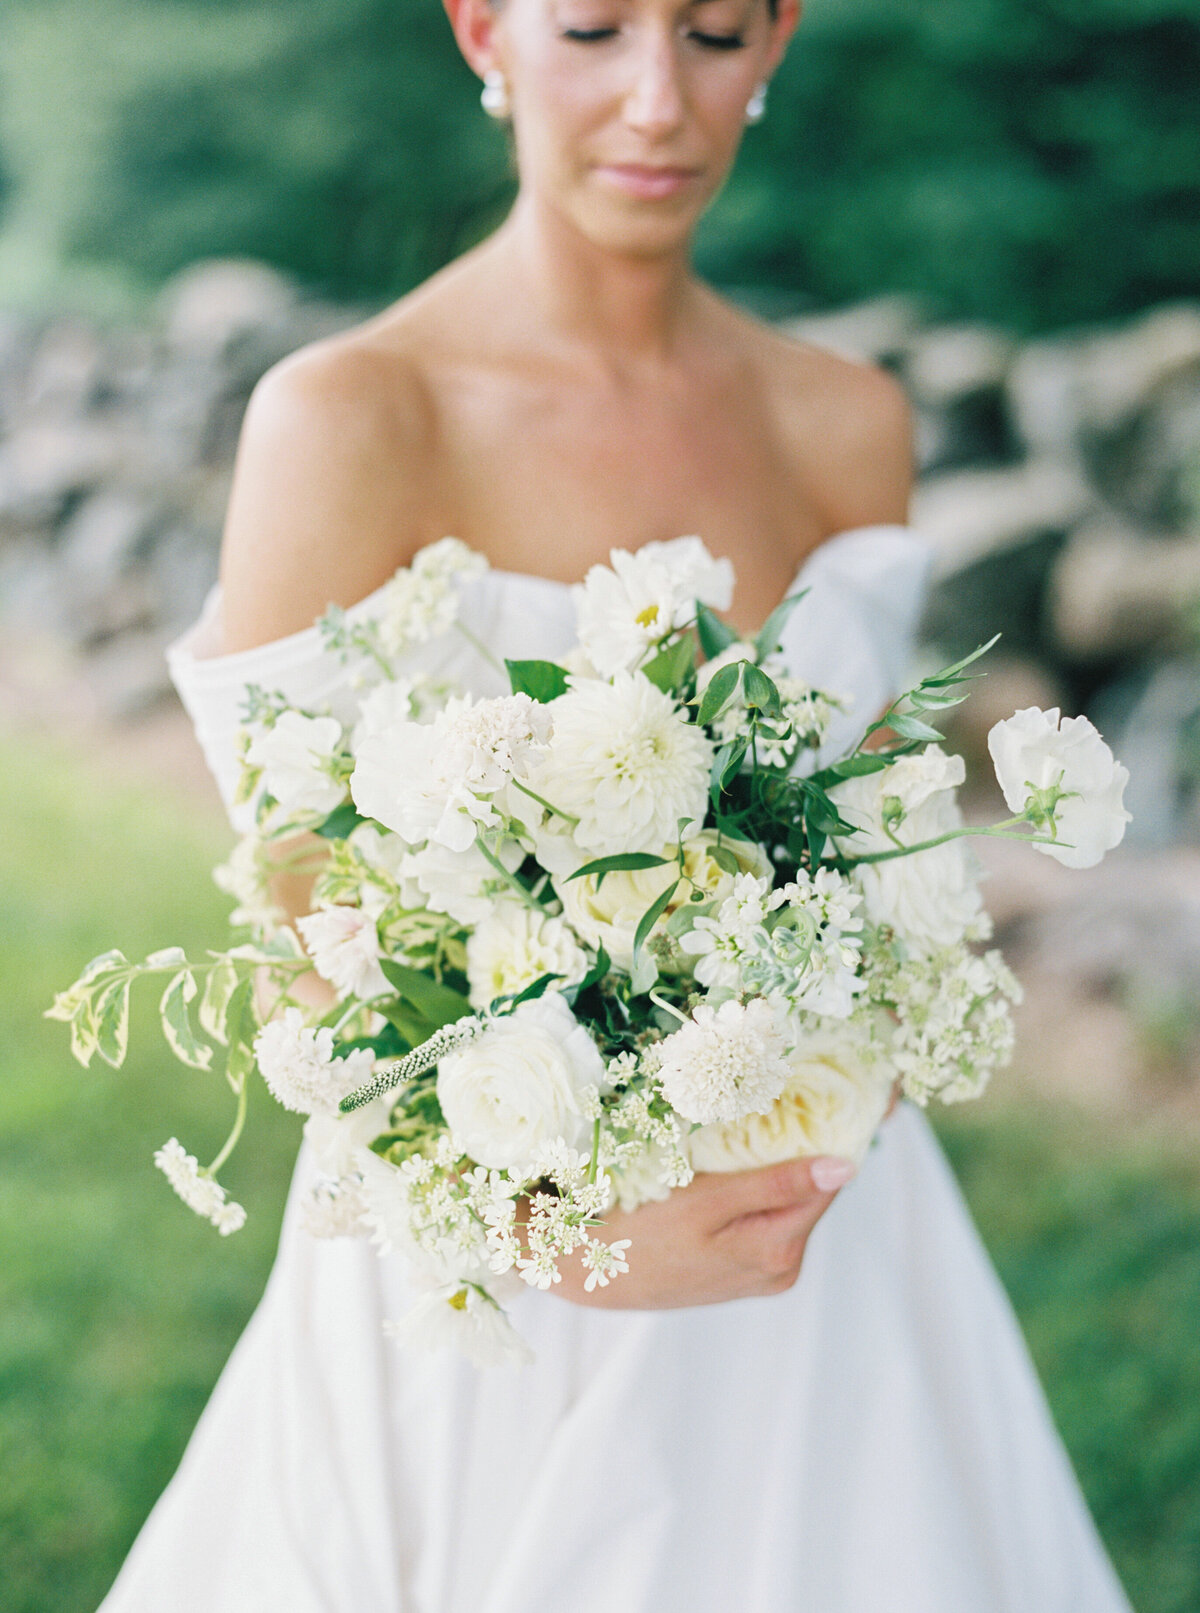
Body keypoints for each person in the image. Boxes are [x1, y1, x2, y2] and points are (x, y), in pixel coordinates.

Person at [100, 0, 1136, 1606]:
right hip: (483, 1294)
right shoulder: (349, 417)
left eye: (715, 32)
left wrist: (864, 1053)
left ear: (779, 38)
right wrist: (564, 1238)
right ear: (481, 30)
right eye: (591, 28)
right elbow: (308, 953)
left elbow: (870, 862)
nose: (658, 101)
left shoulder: (845, 422)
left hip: (826, 1247)